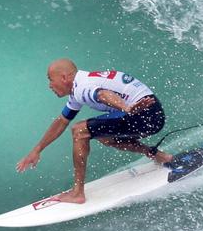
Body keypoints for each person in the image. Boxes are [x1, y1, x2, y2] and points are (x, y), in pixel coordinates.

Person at [16, 58, 176, 204]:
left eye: (50, 80)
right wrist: (37, 150)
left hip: (144, 114)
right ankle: (159, 155)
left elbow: (103, 94)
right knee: (102, 135)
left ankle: (77, 193)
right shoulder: (80, 85)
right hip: (152, 114)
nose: (49, 85)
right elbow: (61, 122)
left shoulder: (83, 87)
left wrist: (126, 108)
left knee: (79, 131)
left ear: (64, 77)